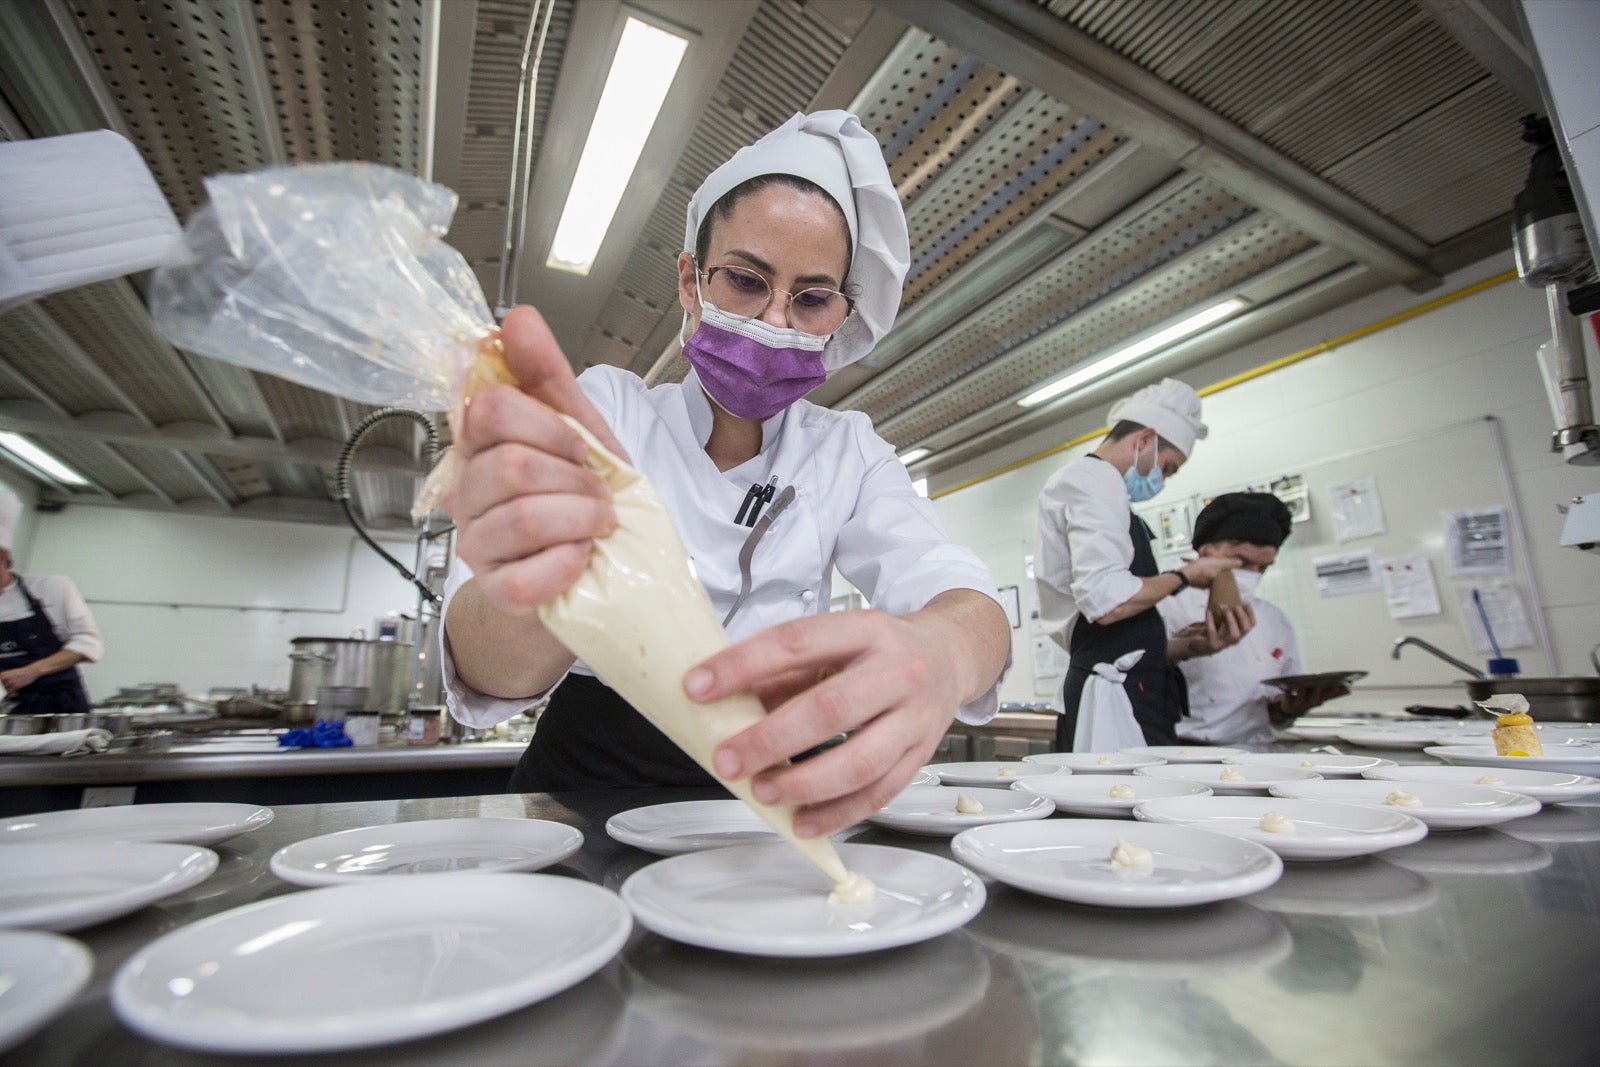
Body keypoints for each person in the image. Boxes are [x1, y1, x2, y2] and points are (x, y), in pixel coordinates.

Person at [440, 111, 1011, 837]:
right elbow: (491, 672)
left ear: (840, 314)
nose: (774, 321)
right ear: (690, 280)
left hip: (782, 789)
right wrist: (561, 563)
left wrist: (946, 649)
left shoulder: (848, 452)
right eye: (745, 280)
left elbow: (958, 590)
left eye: (810, 299)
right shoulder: (605, 411)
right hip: (589, 782)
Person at [1034, 380, 1254, 750]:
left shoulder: (1109, 492)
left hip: (1132, 688)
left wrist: (1184, 647)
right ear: (1145, 440)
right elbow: (1107, 602)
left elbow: (1118, 627)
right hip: (1111, 699)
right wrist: (1186, 575)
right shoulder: (1089, 481)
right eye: (1167, 468)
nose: (1162, 480)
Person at [1159, 492, 1347, 746]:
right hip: (1189, 756)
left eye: (1263, 568)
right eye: (1241, 562)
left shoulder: (1274, 620)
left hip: (1260, 751)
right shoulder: (1165, 608)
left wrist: (1289, 708)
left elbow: (1272, 712)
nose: (1252, 575)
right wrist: (1187, 647)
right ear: (1206, 552)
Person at [0, 490, 102, 714]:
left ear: (4, 557)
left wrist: (33, 671)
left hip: (60, 708)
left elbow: (87, 643)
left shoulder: (53, 588)